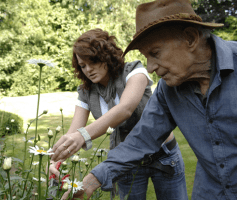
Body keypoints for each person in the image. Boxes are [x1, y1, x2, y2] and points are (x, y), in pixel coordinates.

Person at [57, 0, 237, 199]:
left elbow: (125, 108)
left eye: (155, 53)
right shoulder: (168, 90)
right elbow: (141, 140)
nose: (150, 67)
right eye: (146, 56)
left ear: (190, 38)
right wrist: (91, 181)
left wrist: (83, 135)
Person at [50, 28, 187, 200]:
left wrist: (83, 135)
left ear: (107, 56)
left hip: (163, 155)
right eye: (82, 65)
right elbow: (73, 132)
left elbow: (125, 109)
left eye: (93, 61)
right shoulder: (86, 92)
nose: (88, 69)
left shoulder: (134, 71)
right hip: (125, 160)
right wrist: (55, 158)